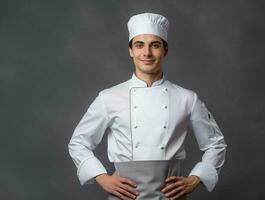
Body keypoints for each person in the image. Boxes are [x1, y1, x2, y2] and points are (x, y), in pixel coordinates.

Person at [68, 12, 227, 200]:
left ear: (165, 50)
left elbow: (215, 144)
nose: (147, 53)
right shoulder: (109, 97)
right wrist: (102, 178)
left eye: (155, 45)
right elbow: (78, 143)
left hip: (170, 197)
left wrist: (195, 178)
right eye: (139, 45)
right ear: (130, 51)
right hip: (125, 197)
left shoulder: (187, 98)